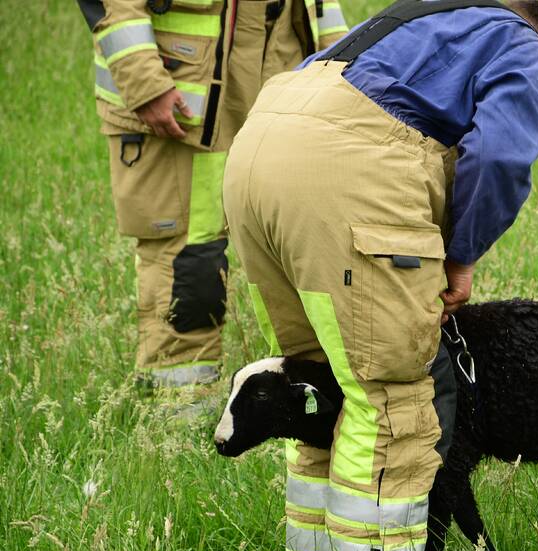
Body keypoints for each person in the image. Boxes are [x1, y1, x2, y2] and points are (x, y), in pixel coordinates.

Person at [222, 0, 538, 551]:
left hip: (258, 151)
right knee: (389, 393)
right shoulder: (525, 44)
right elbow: (497, 154)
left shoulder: (422, 18)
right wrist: (461, 255)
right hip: (341, 170)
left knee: (317, 379)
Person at [78, 0, 348, 393]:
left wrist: (342, 79)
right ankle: (179, 402)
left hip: (286, 77)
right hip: (183, 96)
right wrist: (145, 84)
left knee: (301, 247)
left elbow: (321, 9)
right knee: (190, 254)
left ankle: (302, 391)